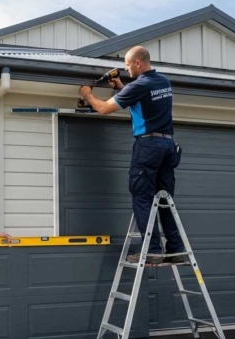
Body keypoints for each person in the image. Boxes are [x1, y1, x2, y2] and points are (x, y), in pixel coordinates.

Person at [78, 45, 184, 264]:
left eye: (127, 65)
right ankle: (175, 249)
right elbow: (144, 101)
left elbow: (104, 109)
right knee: (164, 199)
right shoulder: (163, 82)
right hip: (167, 145)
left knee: (143, 198)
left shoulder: (140, 85)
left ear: (138, 63)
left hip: (148, 146)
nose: (126, 70)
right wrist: (122, 88)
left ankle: (152, 251)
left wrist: (87, 94)